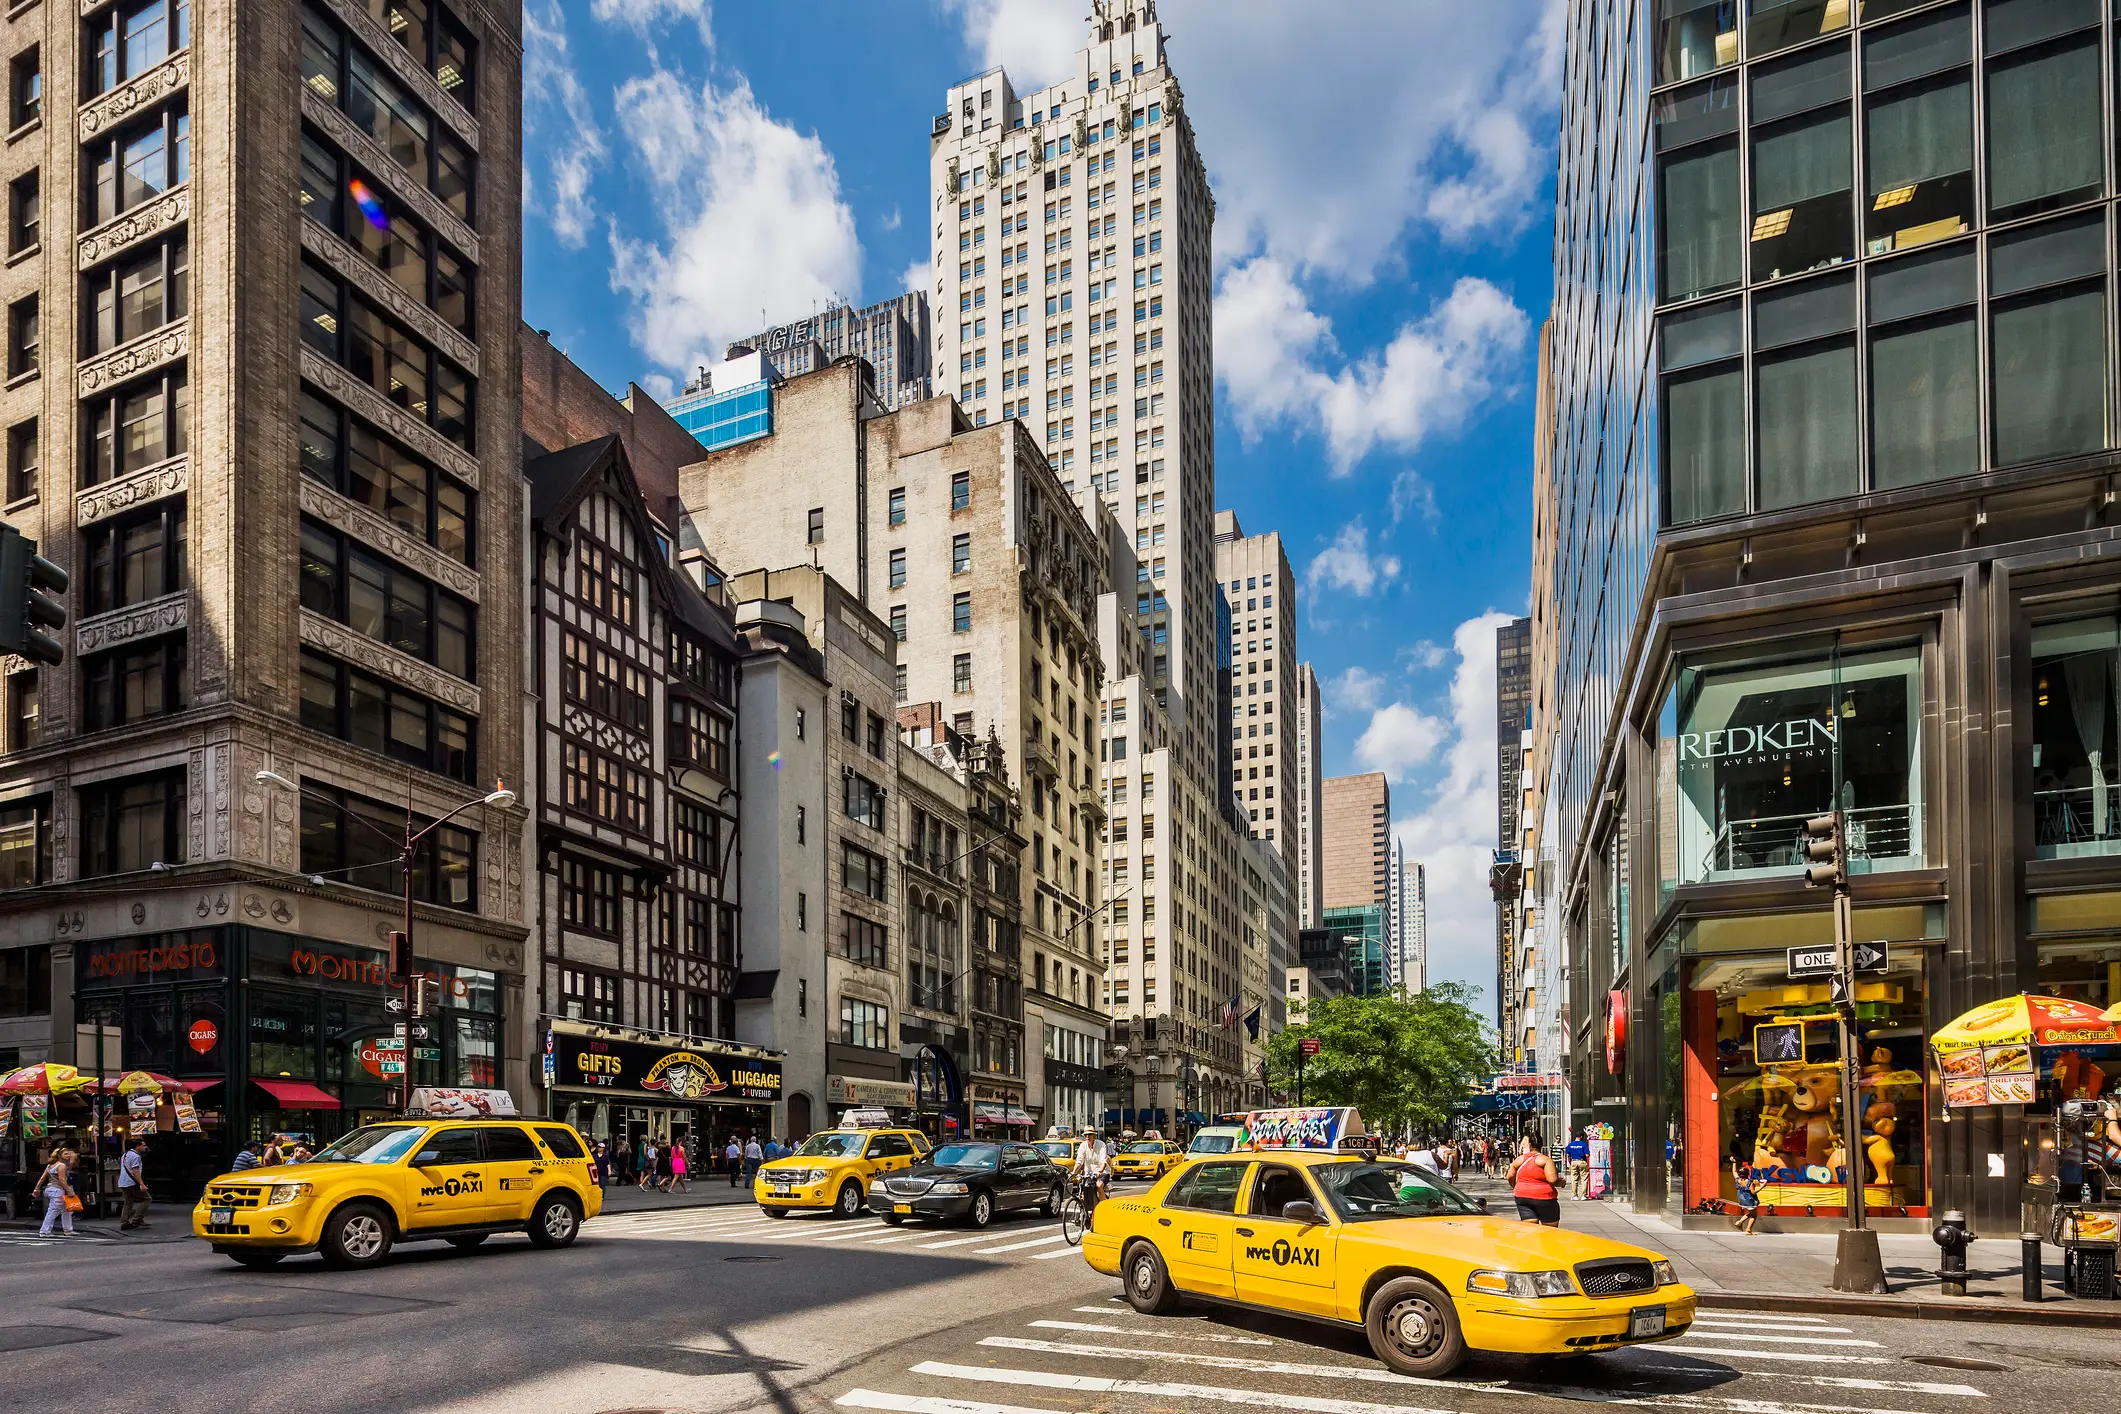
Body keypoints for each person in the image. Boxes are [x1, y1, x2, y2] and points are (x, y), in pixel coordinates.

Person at [1509, 1130, 1562, 1226]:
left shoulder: (1519, 1160)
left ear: (1529, 1145)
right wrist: (1561, 1183)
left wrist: (1516, 1186)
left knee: (1530, 1226)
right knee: (1550, 1229)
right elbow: (1553, 1180)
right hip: (1544, 1197)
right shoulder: (1545, 1160)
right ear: (1541, 1145)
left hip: (1522, 1196)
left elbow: (1509, 1176)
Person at [36, 1149, 74, 1238]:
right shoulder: (62, 1165)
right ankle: (44, 1231)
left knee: (67, 1210)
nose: (68, 1155)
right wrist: (69, 1190)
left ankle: (68, 1230)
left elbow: (42, 1178)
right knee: (53, 1211)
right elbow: (62, 1180)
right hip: (58, 1190)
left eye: (68, 1153)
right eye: (66, 1154)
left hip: (50, 1189)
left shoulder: (50, 1166)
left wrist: (37, 1188)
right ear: (59, 1155)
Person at [117, 1137, 151, 1231]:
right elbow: (135, 1171)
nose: (145, 1147)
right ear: (138, 1146)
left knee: (128, 1201)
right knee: (147, 1199)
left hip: (123, 1182)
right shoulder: (136, 1156)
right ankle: (137, 1219)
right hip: (132, 1182)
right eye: (143, 1145)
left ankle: (124, 1222)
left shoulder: (125, 1154)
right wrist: (141, 1183)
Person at [1073, 1128, 1111, 1207]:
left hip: (1102, 1172)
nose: (1087, 1136)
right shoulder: (1083, 1146)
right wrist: (1073, 1173)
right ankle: (1084, 1212)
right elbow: (1079, 1161)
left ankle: (1104, 1207)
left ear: (1094, 1135)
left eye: (1089, 1134)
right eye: (1085, 1135)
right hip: (1088, 1173)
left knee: (1098, 1186)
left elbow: (1103, 1161)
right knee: (1083, 1189)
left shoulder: (1101, 1145)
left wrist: (1100, 1170)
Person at [1729, 1155, 1759, 1236]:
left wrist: (1734, 1163)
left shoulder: (1738, 1180)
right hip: (1749, 1199)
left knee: (1752, 1213)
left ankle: (1741, 1224)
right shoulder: (1749, 1182)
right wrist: (1763, 1186)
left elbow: (1734, 1172)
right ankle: (1746, 1228)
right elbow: (1753, 1192)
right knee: (1754, 1215)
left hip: (1741, 1199)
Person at [1565, 1129, 1592, 1200]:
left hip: (1573, 1161)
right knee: (1584, 1178)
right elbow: (1587, 1154)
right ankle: (1584, 1195)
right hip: (1582, 1161)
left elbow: (1568, 1155)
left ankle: (1574, 1195)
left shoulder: (1570, 1145)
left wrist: (1570, 1163)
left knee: (1574, 1179)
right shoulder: (1583, 1144)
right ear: (1581, 1136)